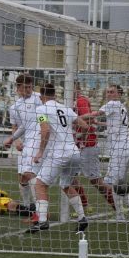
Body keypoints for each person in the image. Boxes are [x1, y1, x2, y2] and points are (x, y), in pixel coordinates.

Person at [31, 83, 89, 233]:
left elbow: (45, 130)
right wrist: (79, 140)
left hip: (58, 153)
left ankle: (42, 221)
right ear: (54, 95)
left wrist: (40, 152)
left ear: (41, 96)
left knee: (40, 184)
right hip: (74, 152)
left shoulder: (41, 109)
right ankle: (82, 218)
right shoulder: (66, 109)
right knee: (66, 185)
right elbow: (85, 126)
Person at [82, 84, 129, 220]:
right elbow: (115, 124)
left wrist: (76, 117)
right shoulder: (121, 106)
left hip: (119, 150)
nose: (109, 94)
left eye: (112, 92)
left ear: (119, 94)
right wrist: (99, 124)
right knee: (118, 183)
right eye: (108, 92)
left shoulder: (112, 104)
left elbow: (95, 114)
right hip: (126, 148)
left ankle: (122, 215)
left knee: (114, 184)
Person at [72, 82, 117, 215]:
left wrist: (82, 139)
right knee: (70, 178)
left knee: (96, 180)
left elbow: (88, 120)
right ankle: (85, 206)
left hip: (87, 145)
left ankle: (118, 205)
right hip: (76, 145)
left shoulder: (80, 101)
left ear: (77, 88)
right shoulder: (72, 102)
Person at [3, 74, 42, 216]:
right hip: (27, 142)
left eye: (30, 87)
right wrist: (15, 139)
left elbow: (44, 117)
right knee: (22, 177)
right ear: (18, 88)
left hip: (39, 140)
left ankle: (39, 211)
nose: (28, 90)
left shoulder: (39, 98)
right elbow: (18, 126)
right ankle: (27, 207)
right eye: (25, 87)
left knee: (30, 174)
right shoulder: (15, 107)